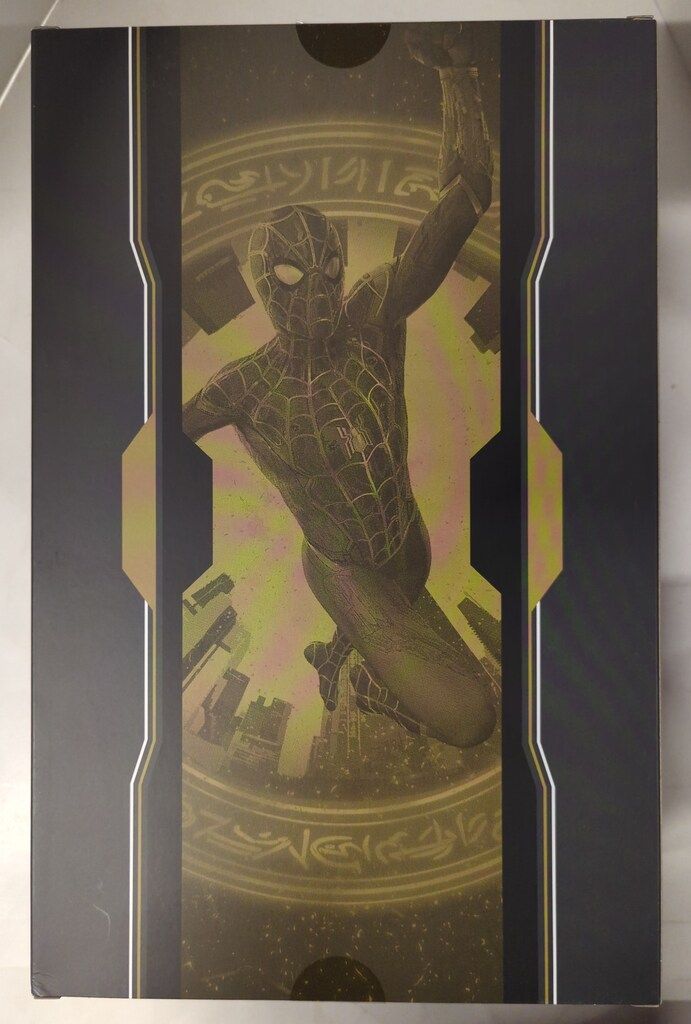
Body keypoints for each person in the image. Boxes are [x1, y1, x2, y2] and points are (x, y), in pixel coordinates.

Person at [183, 25, 496, 748]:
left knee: (458, 694)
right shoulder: (245, 386)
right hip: (343, 569)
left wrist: (458, 77)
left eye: (329, 268)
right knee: (472, 719)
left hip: (407, 542)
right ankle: (358, 668)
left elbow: (465, 198)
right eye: (294, 276)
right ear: (267, 284)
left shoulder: (373, 312)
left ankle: (340, 659)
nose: (318, 291)